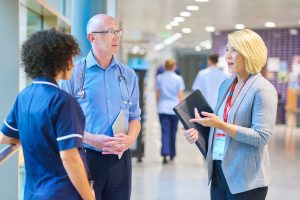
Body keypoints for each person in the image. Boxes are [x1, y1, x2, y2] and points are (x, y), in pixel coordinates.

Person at [183, 29, 278, 200]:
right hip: (219, 171)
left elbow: (260, 137)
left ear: (250, 53)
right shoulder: (226, 85)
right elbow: (218, 127)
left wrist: (221, 125)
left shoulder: (263, 89)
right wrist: (197, 133)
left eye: (234, 50)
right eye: (227, 50)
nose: (228, 56)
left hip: (246, 179)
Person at [0, 29, 94, 200]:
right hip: (61, 193)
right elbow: (70, 158)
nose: (73, 65)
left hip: (32, 193)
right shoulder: (63, 102)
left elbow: (5, 137)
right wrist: (89, 197)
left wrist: (36, 139)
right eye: (70, 59)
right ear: (58, 62)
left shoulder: (24, 97)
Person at [59, 14, 141, 200]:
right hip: (86, 156)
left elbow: (135, 116)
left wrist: (130, 139)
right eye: (109, 32)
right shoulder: (73, 74)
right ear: (91, 37)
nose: (116, 37)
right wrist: (90, 138)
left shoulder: (128, 75)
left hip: (120, 159)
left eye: (117, 31)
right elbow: (62, 122)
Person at [155, 58, 185, 164]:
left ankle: (165, 153)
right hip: (174, 109)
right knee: (173, 131)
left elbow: (157, 94)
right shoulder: (178, 79)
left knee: (165, 131)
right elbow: (180, 95)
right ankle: (172, 154)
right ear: (174, 66)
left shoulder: (159, 77)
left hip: (163, 108)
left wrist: (158, 104)